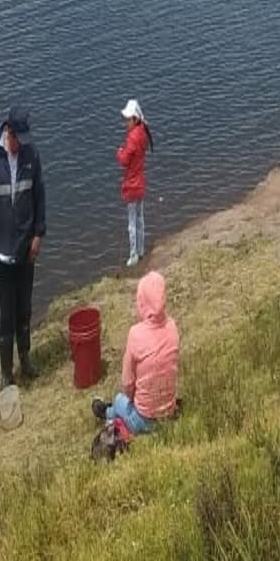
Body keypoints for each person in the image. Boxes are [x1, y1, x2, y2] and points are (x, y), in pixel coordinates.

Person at [0, 104, 46, 388]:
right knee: (7, 313)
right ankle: (7, 372)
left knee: (25, 307)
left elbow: (40, 196)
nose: (21, 146)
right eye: (18, 140)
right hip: (2, 252)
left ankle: (26, 358)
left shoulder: (32, 156)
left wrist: (39, 234)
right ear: (8, 132)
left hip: (26, 248)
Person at [92, 271, 179, 435]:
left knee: (119, 400)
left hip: (144, 420)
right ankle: (115, 413)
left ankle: (107, 414)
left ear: (142, 303)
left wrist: (132, 400)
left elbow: (127, 383)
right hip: (169, 411)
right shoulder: (172, 326)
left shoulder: (135, 334)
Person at [116, 98, 153, 267]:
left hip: (132, 185)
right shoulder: (143, 134)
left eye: (128, 119)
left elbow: (124, 160)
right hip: (141, 182)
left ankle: (133, 255)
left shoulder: (132, 139)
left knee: (131, 222)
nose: (126, 123)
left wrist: (119, 152)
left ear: (135, 119)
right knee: (140, 217)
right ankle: (142, 249)